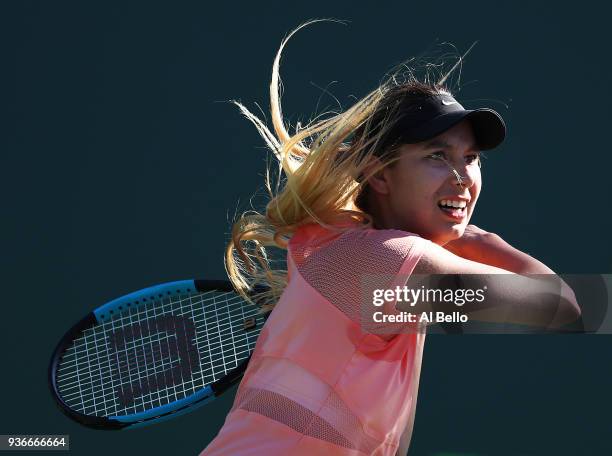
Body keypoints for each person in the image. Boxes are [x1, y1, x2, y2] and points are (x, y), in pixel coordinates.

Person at [200, 21, 581, 456]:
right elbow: (562, 306)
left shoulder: (332, 241)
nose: (463, 178)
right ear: (380, 174)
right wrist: (476, 238)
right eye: (437, 156)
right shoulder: (391, 260)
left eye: (471, 158)